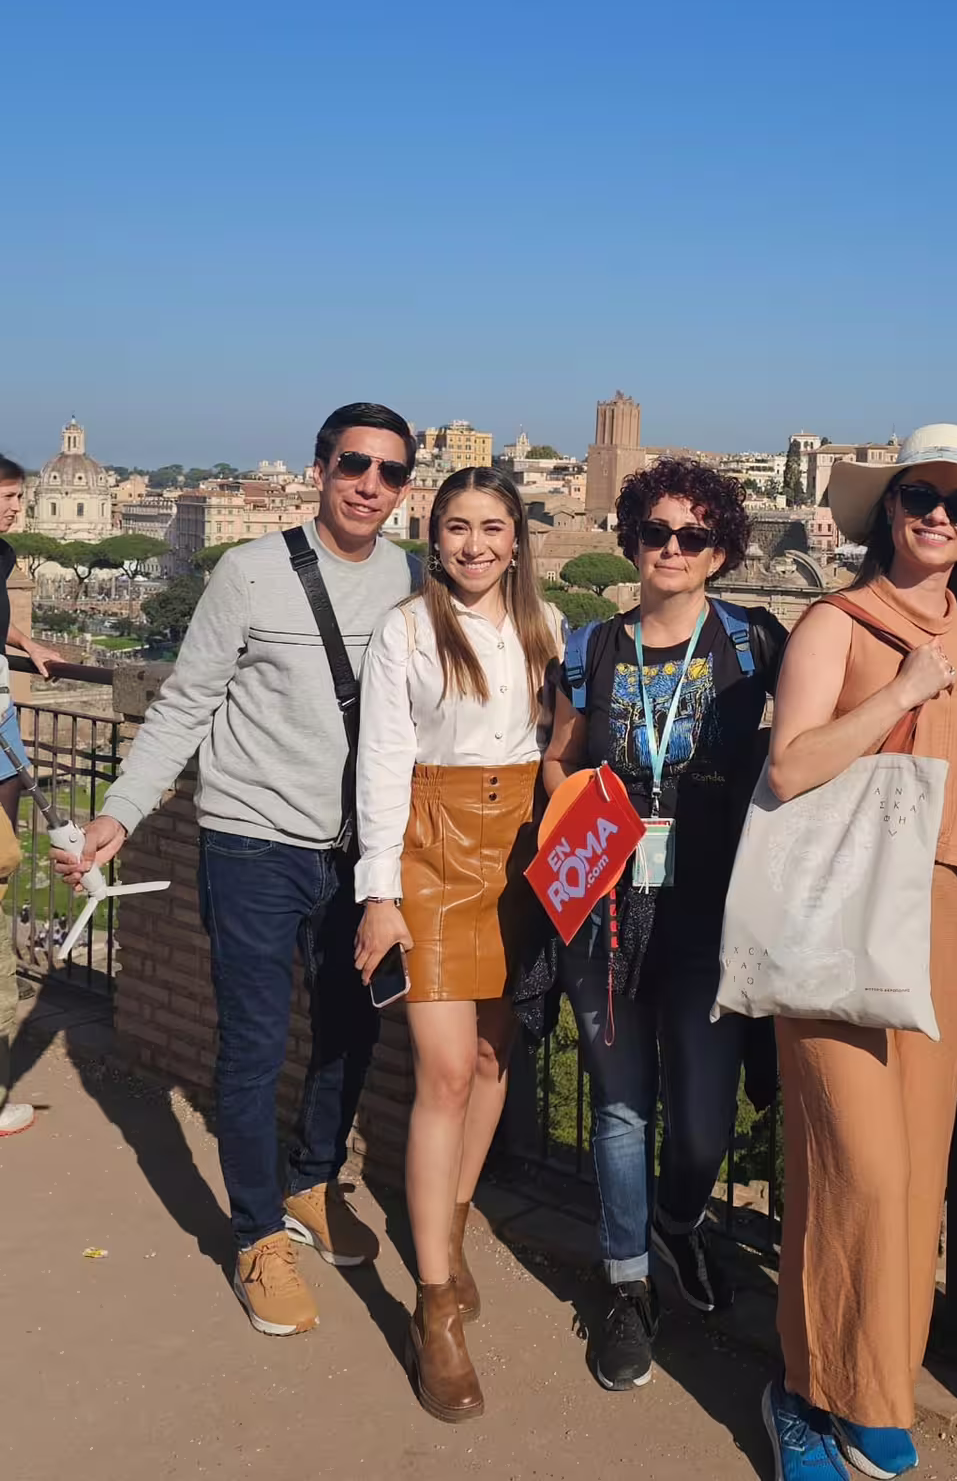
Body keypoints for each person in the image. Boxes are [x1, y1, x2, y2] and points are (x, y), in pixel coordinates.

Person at [54, 404, 418, 1335]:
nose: (369, 485)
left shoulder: (411, 579)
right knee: (255, 1045)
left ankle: (308, 1182)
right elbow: (182, 706)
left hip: (355, 858)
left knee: (352, 1032)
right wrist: (120, 813)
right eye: (353, 464)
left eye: (389, 472)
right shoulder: (250, 572)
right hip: (252, 844)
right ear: (320, 467)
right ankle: (256, 1234)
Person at [760, 423, 957, 1481]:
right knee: (858, 1168)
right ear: (889, 509)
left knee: (919, 1177)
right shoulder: (837, 622)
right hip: (839, 913)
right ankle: (803, 1393)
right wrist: (898, 692)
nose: (938, 515)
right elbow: (789, 769)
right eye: (920, 496)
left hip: (941, 921)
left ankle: (871, 1387)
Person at [514, 457, 787, 1394]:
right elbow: (557, 758)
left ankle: (679, 1219)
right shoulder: (590, 648)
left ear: (719, 551)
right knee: (622, 1108)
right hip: (607, 919)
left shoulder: (755, 642)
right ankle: (627, 1284)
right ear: (629, 540)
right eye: (655, 532)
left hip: (715, 917)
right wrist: (585, 803)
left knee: (704, 1127)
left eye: (693, 536)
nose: (671, 550)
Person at [353, 468, 561, 1420]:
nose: (474, 545)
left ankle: (452, 1221)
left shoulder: (545, 628)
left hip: (519, 849)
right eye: (456, 528)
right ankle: (434, 1305)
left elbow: (561, 745)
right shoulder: (403, 630)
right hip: (433, 852)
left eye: (492, 527)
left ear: (518, 538)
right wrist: (379, 894)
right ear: (431, 538)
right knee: (442, 1068)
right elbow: (384, 764)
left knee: (488, 1058)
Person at [1, 453, 64, 1140]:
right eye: (8, 497)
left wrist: (25, 641)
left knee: (7, 858)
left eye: (19, 497)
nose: (16, 508)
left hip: (4, 728)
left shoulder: (4, 554)